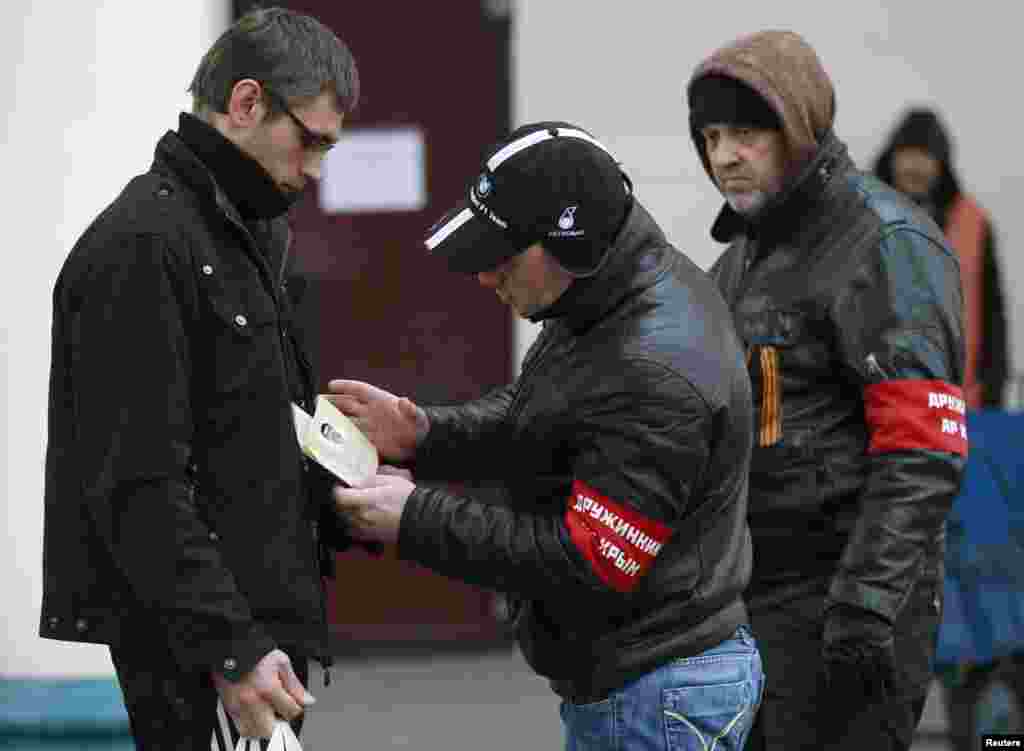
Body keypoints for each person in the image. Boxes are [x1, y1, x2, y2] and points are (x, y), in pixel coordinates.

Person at [330, 121, 763, 750]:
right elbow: (552, 410)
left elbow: (588, 560)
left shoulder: (653, 366)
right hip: (646, 677)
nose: (485, 278)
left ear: (571, 242)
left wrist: (415, 518)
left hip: (656, 693)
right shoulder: (607, 294)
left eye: (502, 257)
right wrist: (424, 435)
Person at [39, 7, 359, 746]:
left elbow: (248, 429)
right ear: (247, 103)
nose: (314, 170)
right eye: (308, 140)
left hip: (257, 634)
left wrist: (346, 465)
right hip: (201, 651)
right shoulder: (141, 245)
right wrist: (232, 647)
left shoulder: (248, 231)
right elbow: (137, 484)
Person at [684, 31, 967, 750]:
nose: (723, 156)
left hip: (849, 603)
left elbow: (922, 449)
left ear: (799, 126)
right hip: (757, 599)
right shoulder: (743, 257)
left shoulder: (886, 243)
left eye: (746, 132)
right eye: (711, 135)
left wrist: (867, 605)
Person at [874, 107, 1010, 410]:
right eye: (907, 153)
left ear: (942, 165)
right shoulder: (858, 213)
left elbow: (993, 316)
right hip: (873, 399)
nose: (915, 166)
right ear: (891, 157)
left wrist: (994, 394)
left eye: (926, 156)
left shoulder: (975, 225)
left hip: (955, 404)